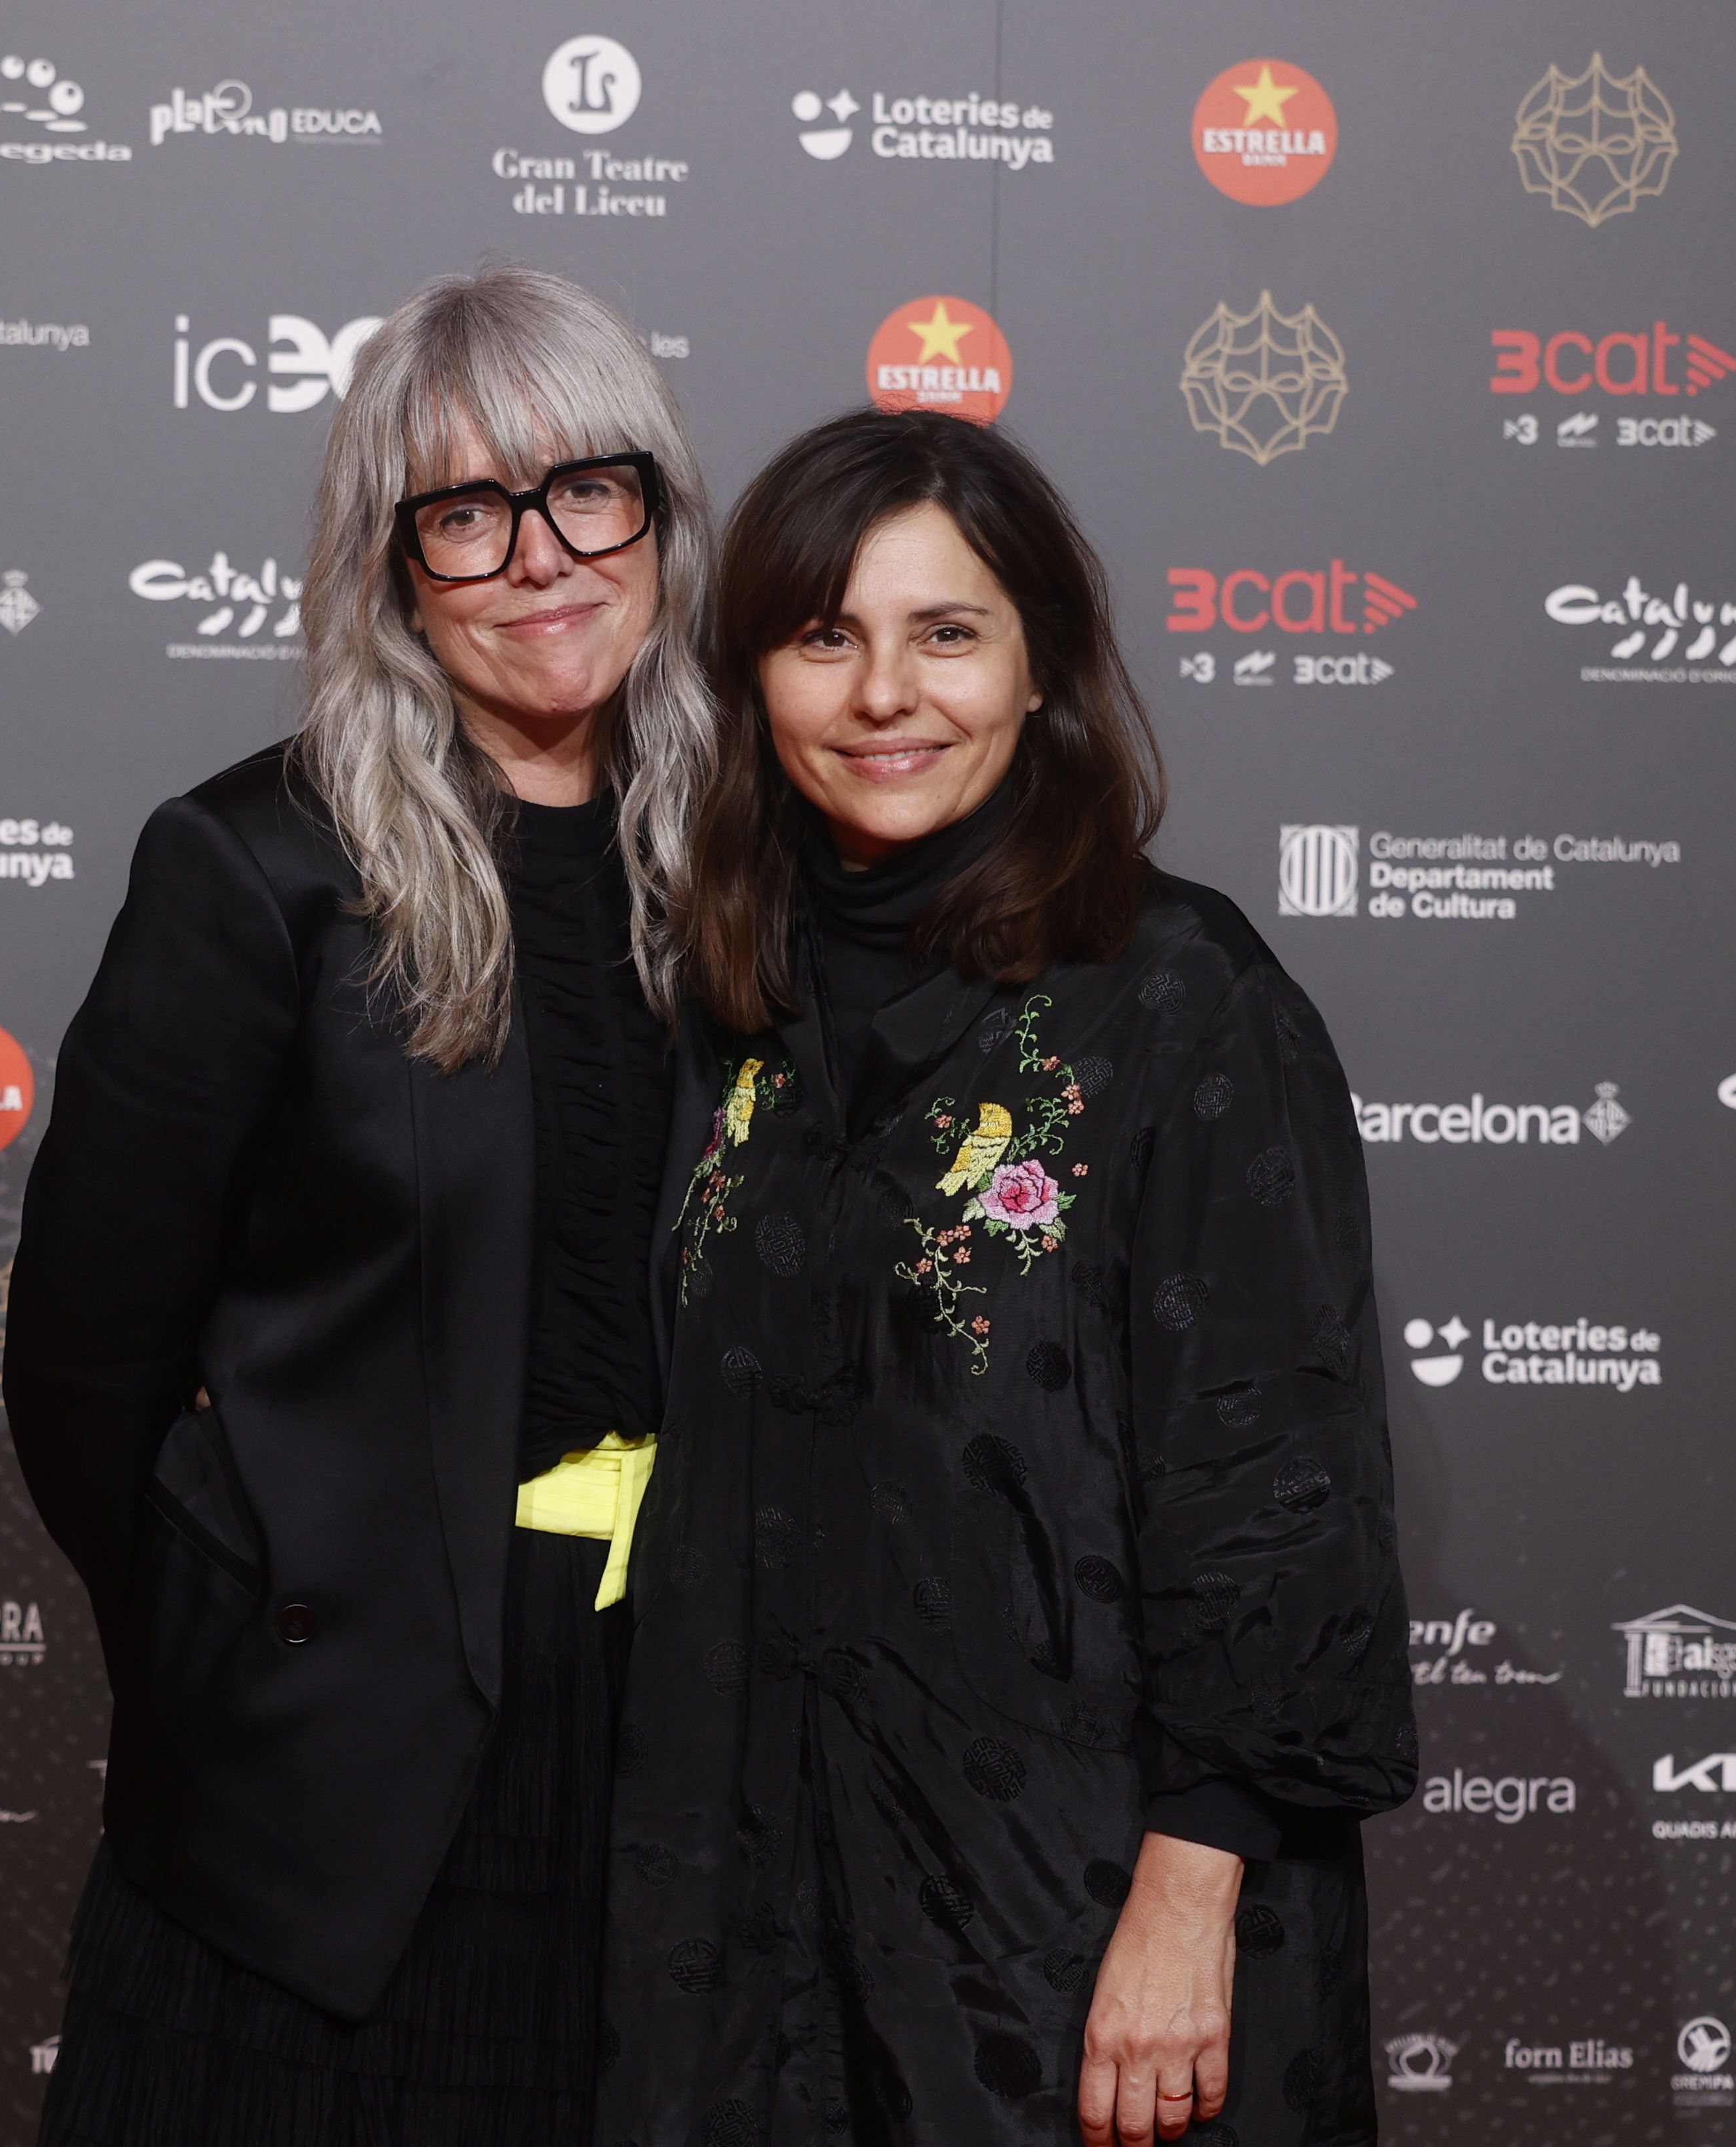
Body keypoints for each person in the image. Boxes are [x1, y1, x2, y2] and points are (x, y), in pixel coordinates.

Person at [598, 409, 1414, 2147]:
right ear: (757, 678)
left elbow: (1278, 1490)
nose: (884, 691)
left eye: (944, 631)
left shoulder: (1185, 1004)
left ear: (1040, 665)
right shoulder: (716, 1011)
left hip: (1076, 1939)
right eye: (827, 636)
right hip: (746, 1928)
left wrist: (1188, 1909)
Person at [3, 265, 718, 2145]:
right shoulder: (256, 868)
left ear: (662, 510)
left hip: (689, 1729)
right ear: (394, 562)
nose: (541, 557)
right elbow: (87, 1367)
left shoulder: (747, 860)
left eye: (589, 491)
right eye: (465, 513)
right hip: (345, 1774)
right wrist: (256, 1634)